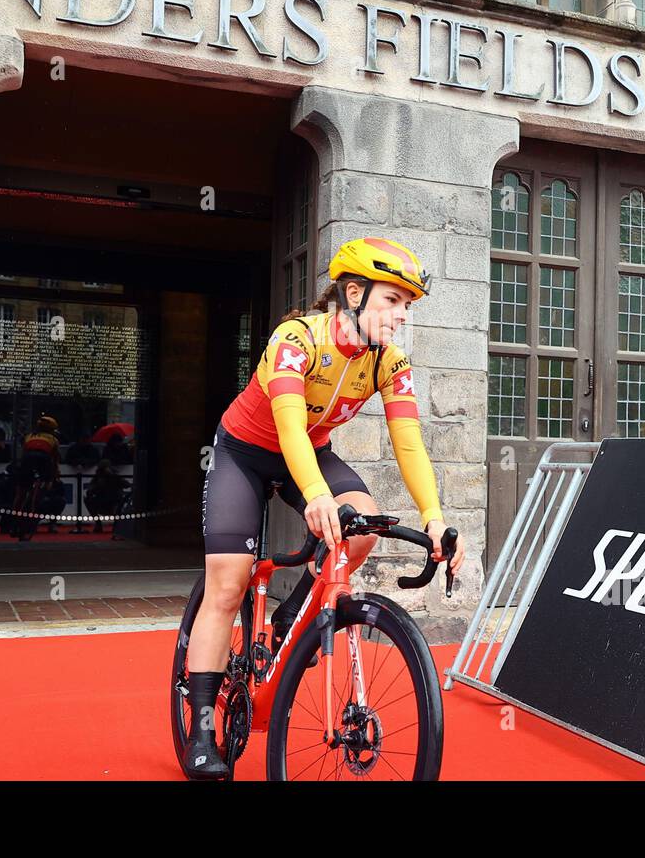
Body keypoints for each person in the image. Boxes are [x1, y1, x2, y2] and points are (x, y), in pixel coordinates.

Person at [181, 237, 467, 779]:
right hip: (245, 453)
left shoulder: (389, 360)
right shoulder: (297, 340)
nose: (403, 315)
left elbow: (408, 442)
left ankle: (297, 617)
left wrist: (434, 516)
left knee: (364, 523)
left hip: (310, 453)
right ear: (353, 294)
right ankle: (200, 726)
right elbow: (287, 425)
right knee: (227, 585)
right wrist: (314, 495)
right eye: (393, 301)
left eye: (408, 305)